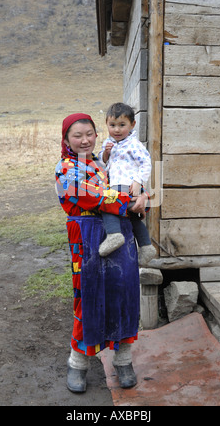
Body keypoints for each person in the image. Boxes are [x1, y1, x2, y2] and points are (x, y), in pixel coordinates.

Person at [55, 113, 148, 394]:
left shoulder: (104, 162)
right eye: (77, 135)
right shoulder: (64, 169)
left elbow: (132, 182)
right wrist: (130, 201)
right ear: (66, 139)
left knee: (124, 292)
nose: (84, 140)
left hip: (119, 231)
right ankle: (78, 363)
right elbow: (92, 196)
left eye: (89, 134)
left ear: (97, 135)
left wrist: (143, 192)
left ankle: (123, 361)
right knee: (89, 295)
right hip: (86, 236)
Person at [98, 103, 156, 266]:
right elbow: (103, 165)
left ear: (132, 125)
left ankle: (114, 234)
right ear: (107, 125)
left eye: (122, 125)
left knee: (107, 205)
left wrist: (138, 181)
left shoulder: (133, 145)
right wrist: (106, 154)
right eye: (112, 125)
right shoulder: (108, 143)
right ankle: (146, 246)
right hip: (116, 185)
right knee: (132, 216)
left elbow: (146, 164)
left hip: (126, 185)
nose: (116, 130)